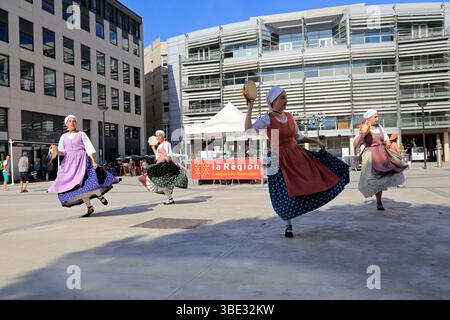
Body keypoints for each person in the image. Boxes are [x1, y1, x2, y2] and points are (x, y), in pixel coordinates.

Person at [245, 86, 350, 238]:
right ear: (273, 101)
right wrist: (250, 108)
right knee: (284, 192)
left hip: (294, 154)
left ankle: (305, 206)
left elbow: (298, 137)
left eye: (286, 97)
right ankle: (288, 225)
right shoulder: (267, 118)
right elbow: (248, 131)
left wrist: (315, 141)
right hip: (276, 158)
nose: (286, 101)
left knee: (314, 177)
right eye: (282, 98)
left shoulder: (289, 117)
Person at [47, 115, 120, 217]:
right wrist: (54, 152)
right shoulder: (63, 137)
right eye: (70, 121)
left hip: (82, 161)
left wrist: (94, 161)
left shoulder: (81, 134)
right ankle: (90, 207)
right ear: (66, 124)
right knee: (78, 188)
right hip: (69, 164)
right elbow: (62, 151)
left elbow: (88, 148)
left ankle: (99, 195)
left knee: (87, 183)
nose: (72, 123)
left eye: (74, 121)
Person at [353, 109, 408, 210]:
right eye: (375, 117)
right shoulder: (364, 127)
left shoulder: (380, 127)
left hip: (381, 154)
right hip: (370, 156)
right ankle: (375, 196)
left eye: (377, 116)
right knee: (373, 179)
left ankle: (379, 201)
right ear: (369, 118)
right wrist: (362, 134)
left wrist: (388, 143)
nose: (377, 119)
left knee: (382, 177)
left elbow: (386, 139)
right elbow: (355, 144)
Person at [146, 130, 188, 205]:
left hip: (165, 165)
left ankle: (170, 195)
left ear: (163, 136)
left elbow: (169, 154)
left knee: (162, 183)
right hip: (160, 164)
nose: (157, 137)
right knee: (160, 182)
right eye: (156, 135)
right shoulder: (159, 146)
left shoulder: (166, 143)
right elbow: (157, 157)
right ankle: (170, 196)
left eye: (159, 135)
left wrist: (167, 158)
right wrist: (153, 148)